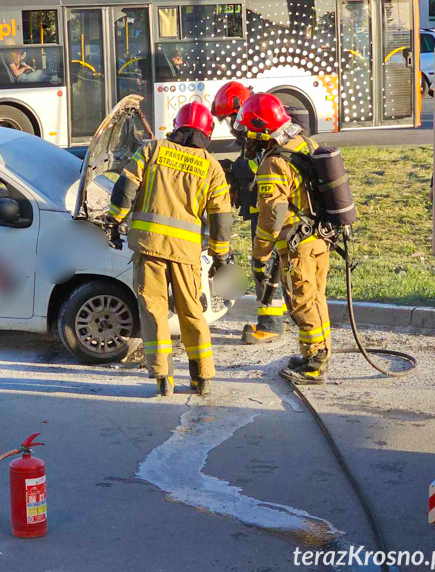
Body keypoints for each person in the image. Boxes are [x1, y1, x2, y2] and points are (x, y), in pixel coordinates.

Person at [106, 102, 233, 396]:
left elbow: (126, 188)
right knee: (192, 312)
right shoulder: (211, 168)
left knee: (154, 310)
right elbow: (220, 218)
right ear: (206, 132)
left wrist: (114, 220)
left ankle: (163, 377)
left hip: (150, 248)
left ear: (177, 126)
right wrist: (220, 256)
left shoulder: (153, 151)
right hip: (186, 254)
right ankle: (202, 377)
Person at [234, 93, 330, 384]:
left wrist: (260, 254)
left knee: (301, 303)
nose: (246, 139)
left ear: (262, 131)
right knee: (316, 299)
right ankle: (317, 352)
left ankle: (314, 367)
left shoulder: (273, 164)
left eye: (249, 132)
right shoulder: (303, 143)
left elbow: (270, 218)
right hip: (319, 238)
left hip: (298, 245)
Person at [211, 81, 288, 344]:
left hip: (270, 210)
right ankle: (274, 321)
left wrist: (233, 171)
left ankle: (270, 326)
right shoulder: (253, 133)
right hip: (264, 207)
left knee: (266, 264)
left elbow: (262, 168)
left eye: (231, 118)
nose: (231, 125)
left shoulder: (262, 133)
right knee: (273, 265)